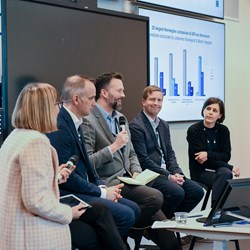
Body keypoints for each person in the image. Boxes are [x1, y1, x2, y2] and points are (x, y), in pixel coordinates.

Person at [82, 72, 181, 250]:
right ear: (104, 93)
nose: (123, 95)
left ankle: (133, 229)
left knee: (171, 243)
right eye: (119, 90)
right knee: (154, 196)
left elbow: (132, 153)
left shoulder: (120, 119)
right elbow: (88, 162)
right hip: (109, 183)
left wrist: (136, 171)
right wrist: (113, 147)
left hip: (130, 179)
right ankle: (131, 229)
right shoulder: (88, 121)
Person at [46, 74, 140, 243]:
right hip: (68, 192)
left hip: (85, 186)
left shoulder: (76, 121)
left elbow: (88, 165)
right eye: (91, 98)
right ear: (76, 99)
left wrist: (101, 185)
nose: (94, 103)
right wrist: (102, 192)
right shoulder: (61, 127)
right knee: (126, 214)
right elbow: (68, 178)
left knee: (133, 209)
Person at [0, 83, 85, 250]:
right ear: (45, 108)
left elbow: (20, 184)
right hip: (31, 235)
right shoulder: (36, 142)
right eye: (57, 104)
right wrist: (69, 213)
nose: (59, 109)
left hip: (12, 229)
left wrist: (54, 176)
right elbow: (36, 201)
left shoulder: (15, 136)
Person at [129, 85, 204, 219]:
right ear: (143, 102)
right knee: (177, 192)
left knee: (197, 191)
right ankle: (155, 223)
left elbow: (169, 153)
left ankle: (167, 221)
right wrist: (169, 176)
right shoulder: (136, 126)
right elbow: (143, 160)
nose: (156, 103)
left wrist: (177, 172)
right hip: (150, 175)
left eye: (159, 100)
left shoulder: (163, 124)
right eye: (152, 99)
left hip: (168, 173)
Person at [186, 97, 240, 206]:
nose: (210, 113)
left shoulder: (223, 131)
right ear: (203, 111)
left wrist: (208, 154)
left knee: (225, 173)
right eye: (208, 109)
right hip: (200, 171)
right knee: (226, 175)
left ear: (220, 115)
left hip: (219, 171)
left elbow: (226, 156)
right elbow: (202, 160)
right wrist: (230, 167)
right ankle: (217, 210)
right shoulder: (194, 130)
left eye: (215, 111)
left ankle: (215, 209)